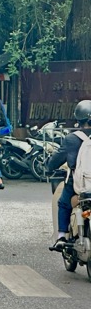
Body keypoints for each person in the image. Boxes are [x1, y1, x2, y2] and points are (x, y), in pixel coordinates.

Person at [47, 100, 91, 250]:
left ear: (78, 119)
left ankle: (61, 237)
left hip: (79, 184)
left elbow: (56, 160)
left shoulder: (72, 139)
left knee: (63, 203)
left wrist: (49, 168)